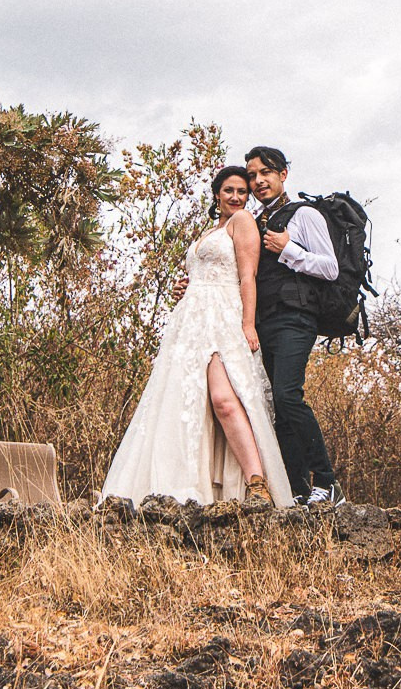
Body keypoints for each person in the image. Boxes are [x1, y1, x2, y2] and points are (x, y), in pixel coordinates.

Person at [100, 166, 294, 508]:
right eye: (229, 191)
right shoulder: (210, 230)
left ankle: (256, 481)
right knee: (181, 400)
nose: (236, 197)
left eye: (241, 192)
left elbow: (247, 277)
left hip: (222, 316)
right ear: (216, 194)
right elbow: (204, 271)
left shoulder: (243, 222)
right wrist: (186, 286)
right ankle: (185, 484)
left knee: (224, 398)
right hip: (190, 320)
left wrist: (248, 324)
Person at [242, 146, 341, 505]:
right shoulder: (252, 222)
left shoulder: (305, 214)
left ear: (283, 174)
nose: (258, 181)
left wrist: (288, 248)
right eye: (252, 175)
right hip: (262, 322)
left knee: (288, 394)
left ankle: (328, 483)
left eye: (265, 172)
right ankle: (299, 490)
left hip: (296, 318)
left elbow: (330, 268)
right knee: (278, 408)